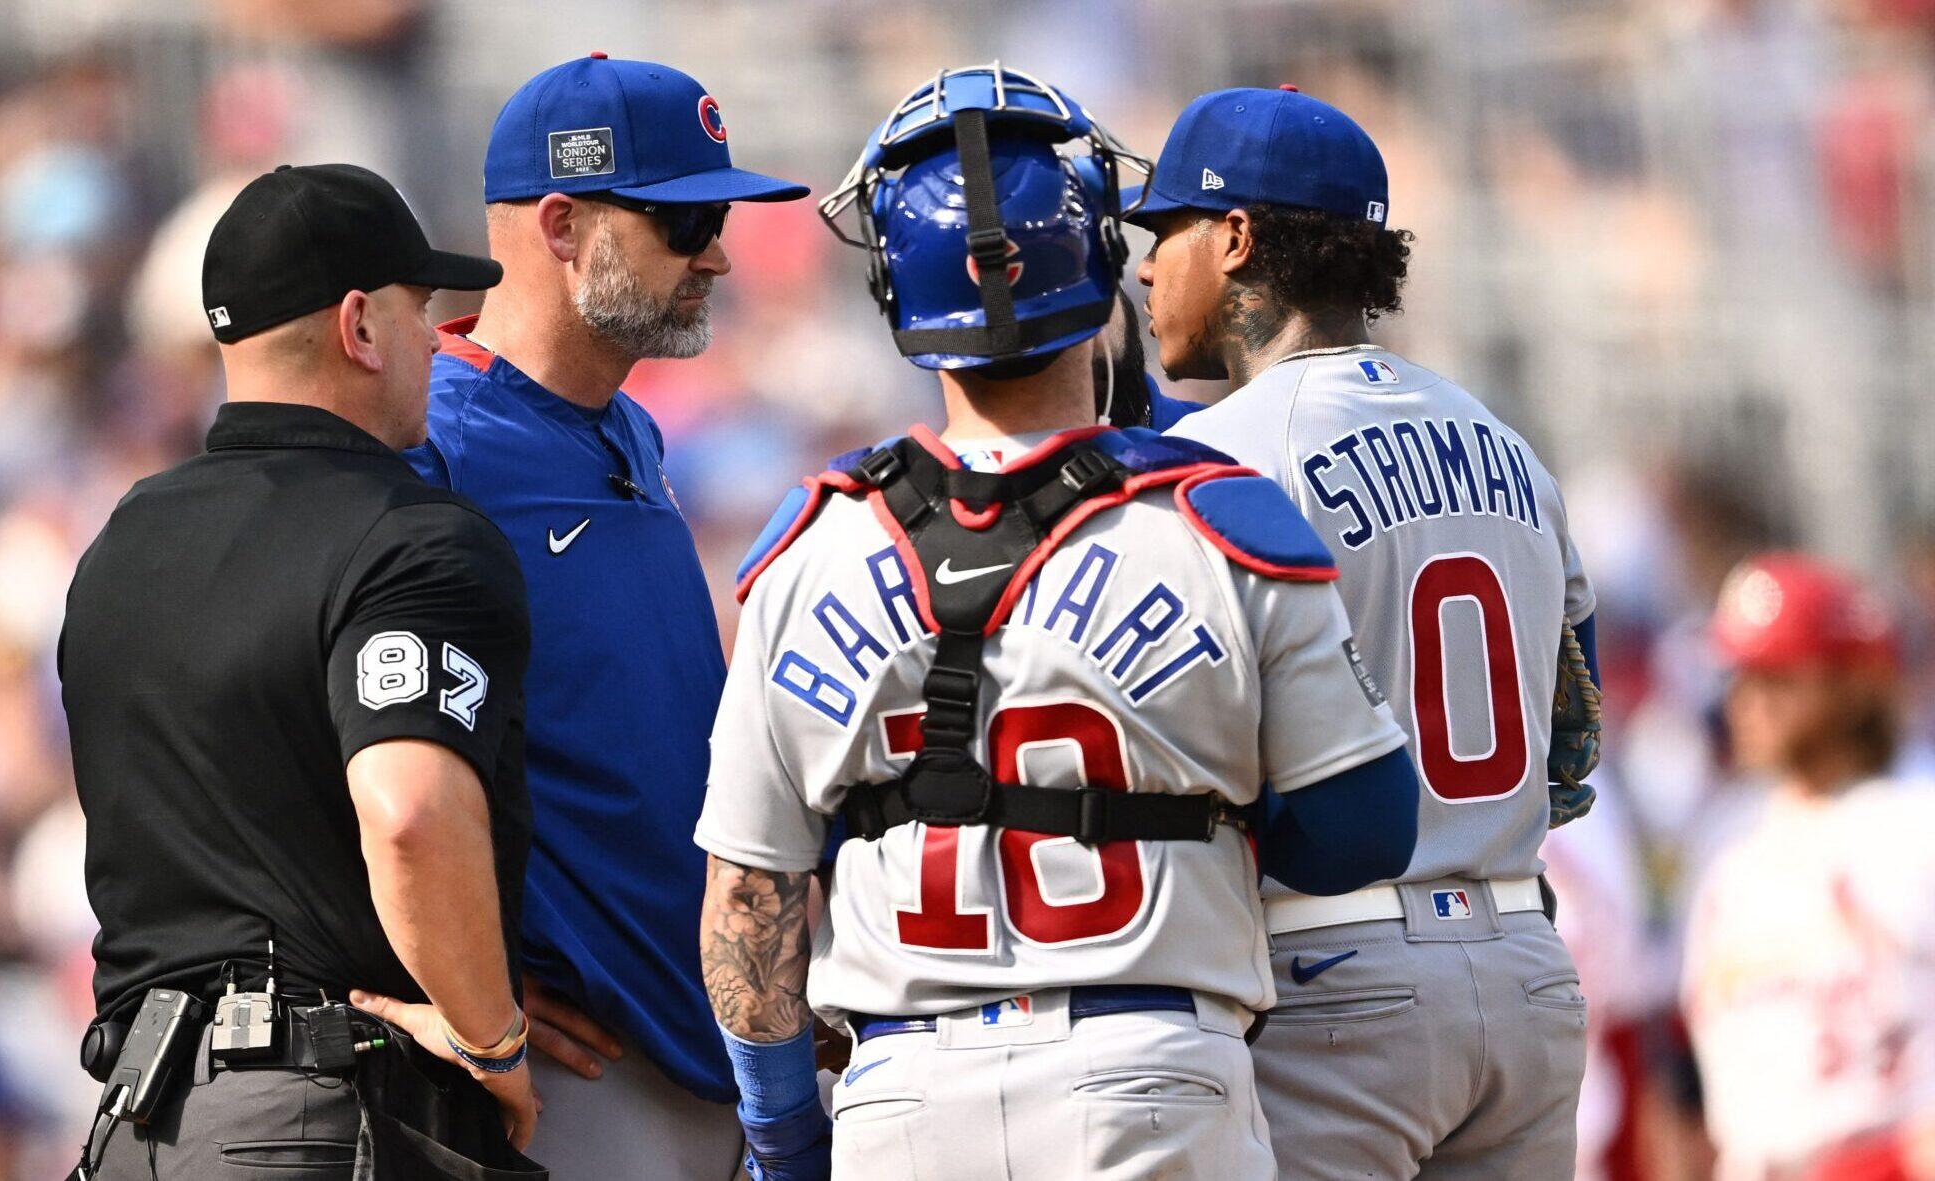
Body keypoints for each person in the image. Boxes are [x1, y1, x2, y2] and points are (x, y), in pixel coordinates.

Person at [697, 64, 1421, 1180]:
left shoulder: (805, 546)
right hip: (1147, 1070)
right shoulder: (1220, 517)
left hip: (903, 1094)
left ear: (897, 292)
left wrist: (786, 1140)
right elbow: (1366, 830)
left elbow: (749, 895)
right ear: (1097, 269)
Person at [1133, 86, 1603, 1179]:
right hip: (1525, 961)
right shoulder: (1504, 442)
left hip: (1335, 975)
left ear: (1236, 236)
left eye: (1163, 232)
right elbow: (1571, 755)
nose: (1148, 268)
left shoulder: (1220, 456)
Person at [61, 162, 539, 1179]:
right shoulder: (414, 536)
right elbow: (410, 810)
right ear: (360, 325)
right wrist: (490, 1032)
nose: (437, 337)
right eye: (421, 309)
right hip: (314, 1112)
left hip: (141, 1124)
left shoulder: (123, 539)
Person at [398, 53, 808, 1180]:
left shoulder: (625, 426)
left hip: (698, 1041)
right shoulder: (433, 443)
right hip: (575, 1073)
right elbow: (306, 742)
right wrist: (456, 982)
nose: (718, 253)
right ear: (563, 222)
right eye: (684, 221)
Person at [1682, 553, 1935, 1181]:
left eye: (1779, 676)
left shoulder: (1914, 827)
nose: (1746, 700)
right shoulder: (1726, 853)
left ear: (1854, 685)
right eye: (1739, 674)